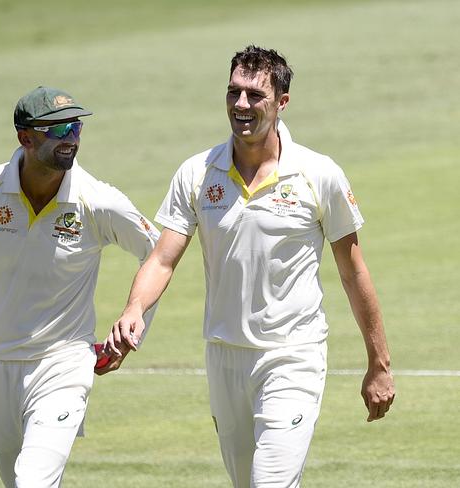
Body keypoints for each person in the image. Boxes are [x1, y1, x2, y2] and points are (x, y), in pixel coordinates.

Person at [105, 46, 395, 487]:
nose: (241, 105)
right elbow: (163, 258)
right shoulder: (197, 173)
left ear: (282, 102)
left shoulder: (318, 174)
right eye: (233, 93)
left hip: (292, 354)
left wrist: (379, 362)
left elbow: (353, 272)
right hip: (225, 356)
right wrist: (132, 310)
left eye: (255, 95)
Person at [0, 86, 159, 488]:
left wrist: (134, 320)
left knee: (32, 481)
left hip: (63, 366)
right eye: (59, 128)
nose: (72, 137)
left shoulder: (97, 200)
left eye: (77, 126)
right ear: (25, 138)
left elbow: (158, 256)